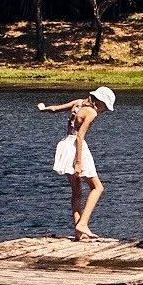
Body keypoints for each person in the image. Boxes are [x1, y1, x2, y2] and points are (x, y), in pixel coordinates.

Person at [37, 86, 115, 240]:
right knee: (97, 187)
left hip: (65, 144)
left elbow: (54, 109)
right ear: (99, 102)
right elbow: (80, 136)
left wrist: (43, 108)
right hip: (76, 148)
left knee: (76, 191)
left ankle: (78, 231)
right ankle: (83, 223)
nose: (103, 111)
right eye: (104, 107)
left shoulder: (78, 103)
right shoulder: (91, 112)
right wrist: (78, 162)